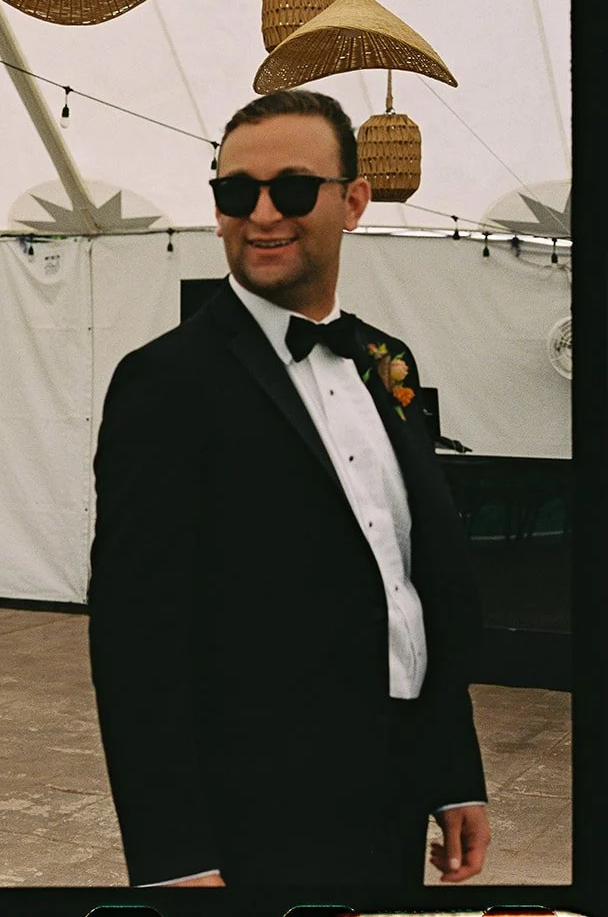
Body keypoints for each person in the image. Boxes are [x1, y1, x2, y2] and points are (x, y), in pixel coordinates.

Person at [87, 89, 491, 888]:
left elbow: (409, 584)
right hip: (256, 813)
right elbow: (136, 638)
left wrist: (453, 770)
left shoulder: (386, 361)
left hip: (396, 788)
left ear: (354, 202)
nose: (262, 214)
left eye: (293, 189)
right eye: (236, 192)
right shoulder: (164, 383)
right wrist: (175, 858)